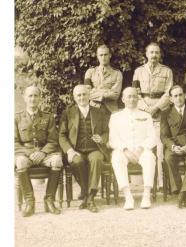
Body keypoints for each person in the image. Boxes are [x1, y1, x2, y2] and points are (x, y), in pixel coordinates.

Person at [59, 85, 110, 213]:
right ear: (74, 98)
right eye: (79, 95)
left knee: (97, 159)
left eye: (84, 94)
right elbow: (62, 135)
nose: (82, 97)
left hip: (94, 148)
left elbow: (107, 131)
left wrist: (102, 138)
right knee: (77, 161)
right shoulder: (68, 113)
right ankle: (88, 195)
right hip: (76, 149)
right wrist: (69, 150)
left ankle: (89, 196)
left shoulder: (99, 111)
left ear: (89, 96)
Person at [15, 85, 63, 217]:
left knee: (57, 160)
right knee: (20, 162)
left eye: (36, 95)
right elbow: (13, 142)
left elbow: (53, 140)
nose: (33, 98)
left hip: (44, 153)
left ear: (40, 98)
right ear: (25, 98)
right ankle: (30, 202)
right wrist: (30, 153)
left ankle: (49, 200)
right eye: (30, 96)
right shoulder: (17, 118)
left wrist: (42, 153)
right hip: (26, 153)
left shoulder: (48, 117)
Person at [132, 42, 173, 188]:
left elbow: (169, 94)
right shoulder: (138, 71)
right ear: (146, 54)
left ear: (160, 54)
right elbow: (135, 92)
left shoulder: (167, 71)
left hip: (160, 112)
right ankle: (147, 183)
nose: (154, 55)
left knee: (160, 148)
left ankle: (161, 182)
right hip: (143, 111)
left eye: (157, 52)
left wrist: (155, 107)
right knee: (145, 147)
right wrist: (145, 107)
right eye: (151, 52)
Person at [109, 87, 157, 210]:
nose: (132, 99)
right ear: (123, 99)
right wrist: (125, 150)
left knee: (150, 157)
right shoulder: (115, 117)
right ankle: (128, 197)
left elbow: (152, 137)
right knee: (116, 158)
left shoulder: (146, 115)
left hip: (142, 150)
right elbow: (113, 139)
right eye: (129, 96)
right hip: (124, 151)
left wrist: (141, 148)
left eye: (134, 96)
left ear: (138, 98)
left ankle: (146, 195)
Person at [84, 44, 123, 113]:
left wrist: (96, 92)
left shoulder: (117, 73)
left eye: (106, 54)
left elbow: (115, 95)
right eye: (101, 55)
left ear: (110, 55)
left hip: (111, 110)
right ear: (97, 56)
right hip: (94, 109)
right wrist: (106, 92)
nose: (103, 57)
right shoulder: (90, 72)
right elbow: (87, 93)